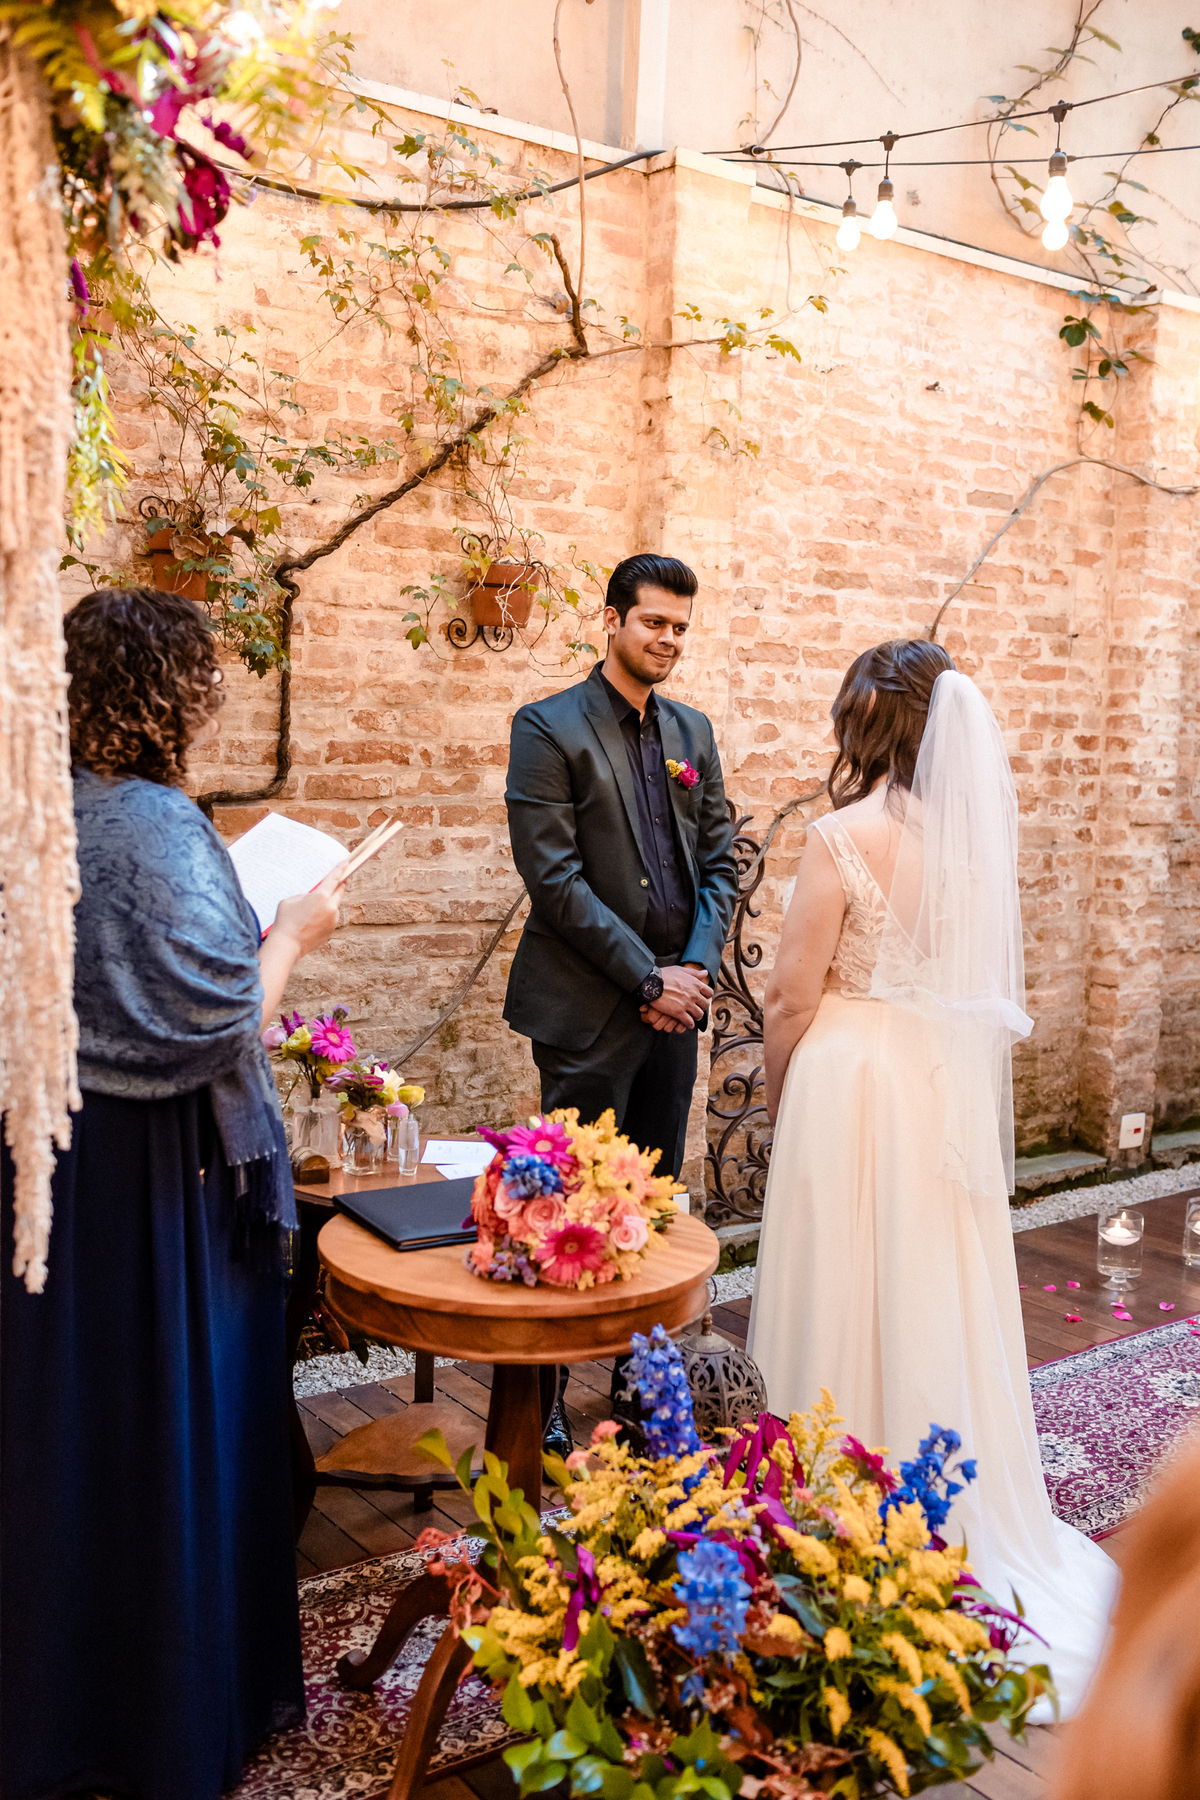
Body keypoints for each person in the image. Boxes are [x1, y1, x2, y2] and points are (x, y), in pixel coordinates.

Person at [1, 587, 347, 1800]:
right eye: (202, 682)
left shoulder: (34, 809)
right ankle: (163, 1715)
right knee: (167, 1426)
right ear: (165, 694)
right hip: (153, 1172)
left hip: (49, 1156)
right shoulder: (155, 822)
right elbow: (217, 1016)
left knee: (73, 1432)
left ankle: (60, 1706)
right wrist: (292, 932)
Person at [748, 639, 1118, 1715]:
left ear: (867, 723)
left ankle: (823, 1511)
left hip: (848, 1076)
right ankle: (939, 1509)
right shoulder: (972, 846)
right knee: (930, 1279)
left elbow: (790, 996)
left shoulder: (841, 836)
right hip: (931, 1083)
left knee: (839, 1276)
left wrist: (783, 1098)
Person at [504, 553, 740, 1418]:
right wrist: (648, 978)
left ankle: (643, 1395)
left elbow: (721, 863)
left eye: (680, 627)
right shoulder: (547, 728)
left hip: (676, 1013)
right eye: (654, 622)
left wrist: (694, 973)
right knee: (567, 1211)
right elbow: (554, 880)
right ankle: (542, 1406)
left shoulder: (693, 733)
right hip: (588, 1012)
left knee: (655, 1208)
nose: (669, 639)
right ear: (611, 621)